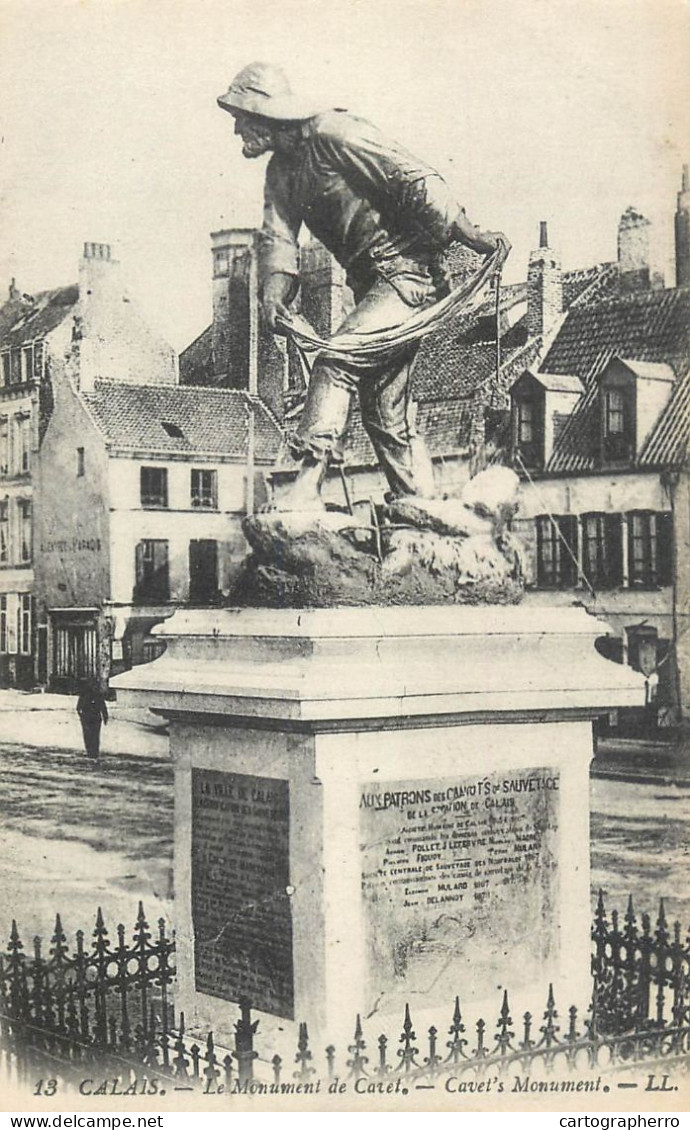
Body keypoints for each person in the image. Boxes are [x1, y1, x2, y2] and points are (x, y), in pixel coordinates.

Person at [217, 62, 510, 510]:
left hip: (410, 275)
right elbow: (277, 237)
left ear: (266, 114)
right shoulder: (279, 173)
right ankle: (415, 502)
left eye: (241, 117)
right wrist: (274, 293)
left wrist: (468, 233)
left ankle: (307, 486)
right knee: (383, 407)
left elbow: (412, 177)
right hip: (370, 285)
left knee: (337, 357)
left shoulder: (336, 134)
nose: (238, 129)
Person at [76, 679, 109, 760]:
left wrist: (81, 716)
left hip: (91, 718)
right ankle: (92, 752)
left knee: (90, 735)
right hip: (92, 718)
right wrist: (105, 717)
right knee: (93, 735)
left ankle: (92, 752)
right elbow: (103, 708)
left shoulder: (87, 695)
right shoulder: (94, 695)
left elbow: (78, 708)